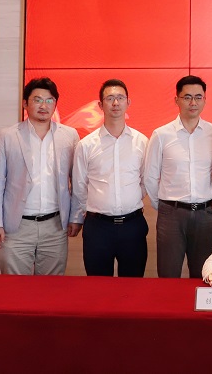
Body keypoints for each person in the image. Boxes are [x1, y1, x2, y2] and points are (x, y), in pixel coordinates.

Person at [0, 77, 81, 275]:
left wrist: (76, 217)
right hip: (16, 227)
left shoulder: (69, 136)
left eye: (49, 100)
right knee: (14, 288)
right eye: (37, 100)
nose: (43, 106)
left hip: (55, 227)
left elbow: (77, 181)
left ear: (55, 104)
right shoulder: (7, 136)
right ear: (25, 103)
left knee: (50, 289)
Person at [143, 75, 212, 278]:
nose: (193, 102)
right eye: (187, 97)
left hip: (204, 214)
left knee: (203, 275)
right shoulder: (161, 135)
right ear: (176, 99)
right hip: (171, 215)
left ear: (205, 99)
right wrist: (165, 207)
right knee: (168, 275)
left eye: (198, 97)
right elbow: (150, 176)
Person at [70, 79, 149, 277]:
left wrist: (130, 199)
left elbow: (145, 181)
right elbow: (79, 186)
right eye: (110, 98)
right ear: (100, 105)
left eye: (120, 98)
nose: (115, 103)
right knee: (98, 288)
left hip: (133, 225)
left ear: (128, 102)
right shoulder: (86, 145)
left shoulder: (142, 142)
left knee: (132, 287)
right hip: (98, 228)